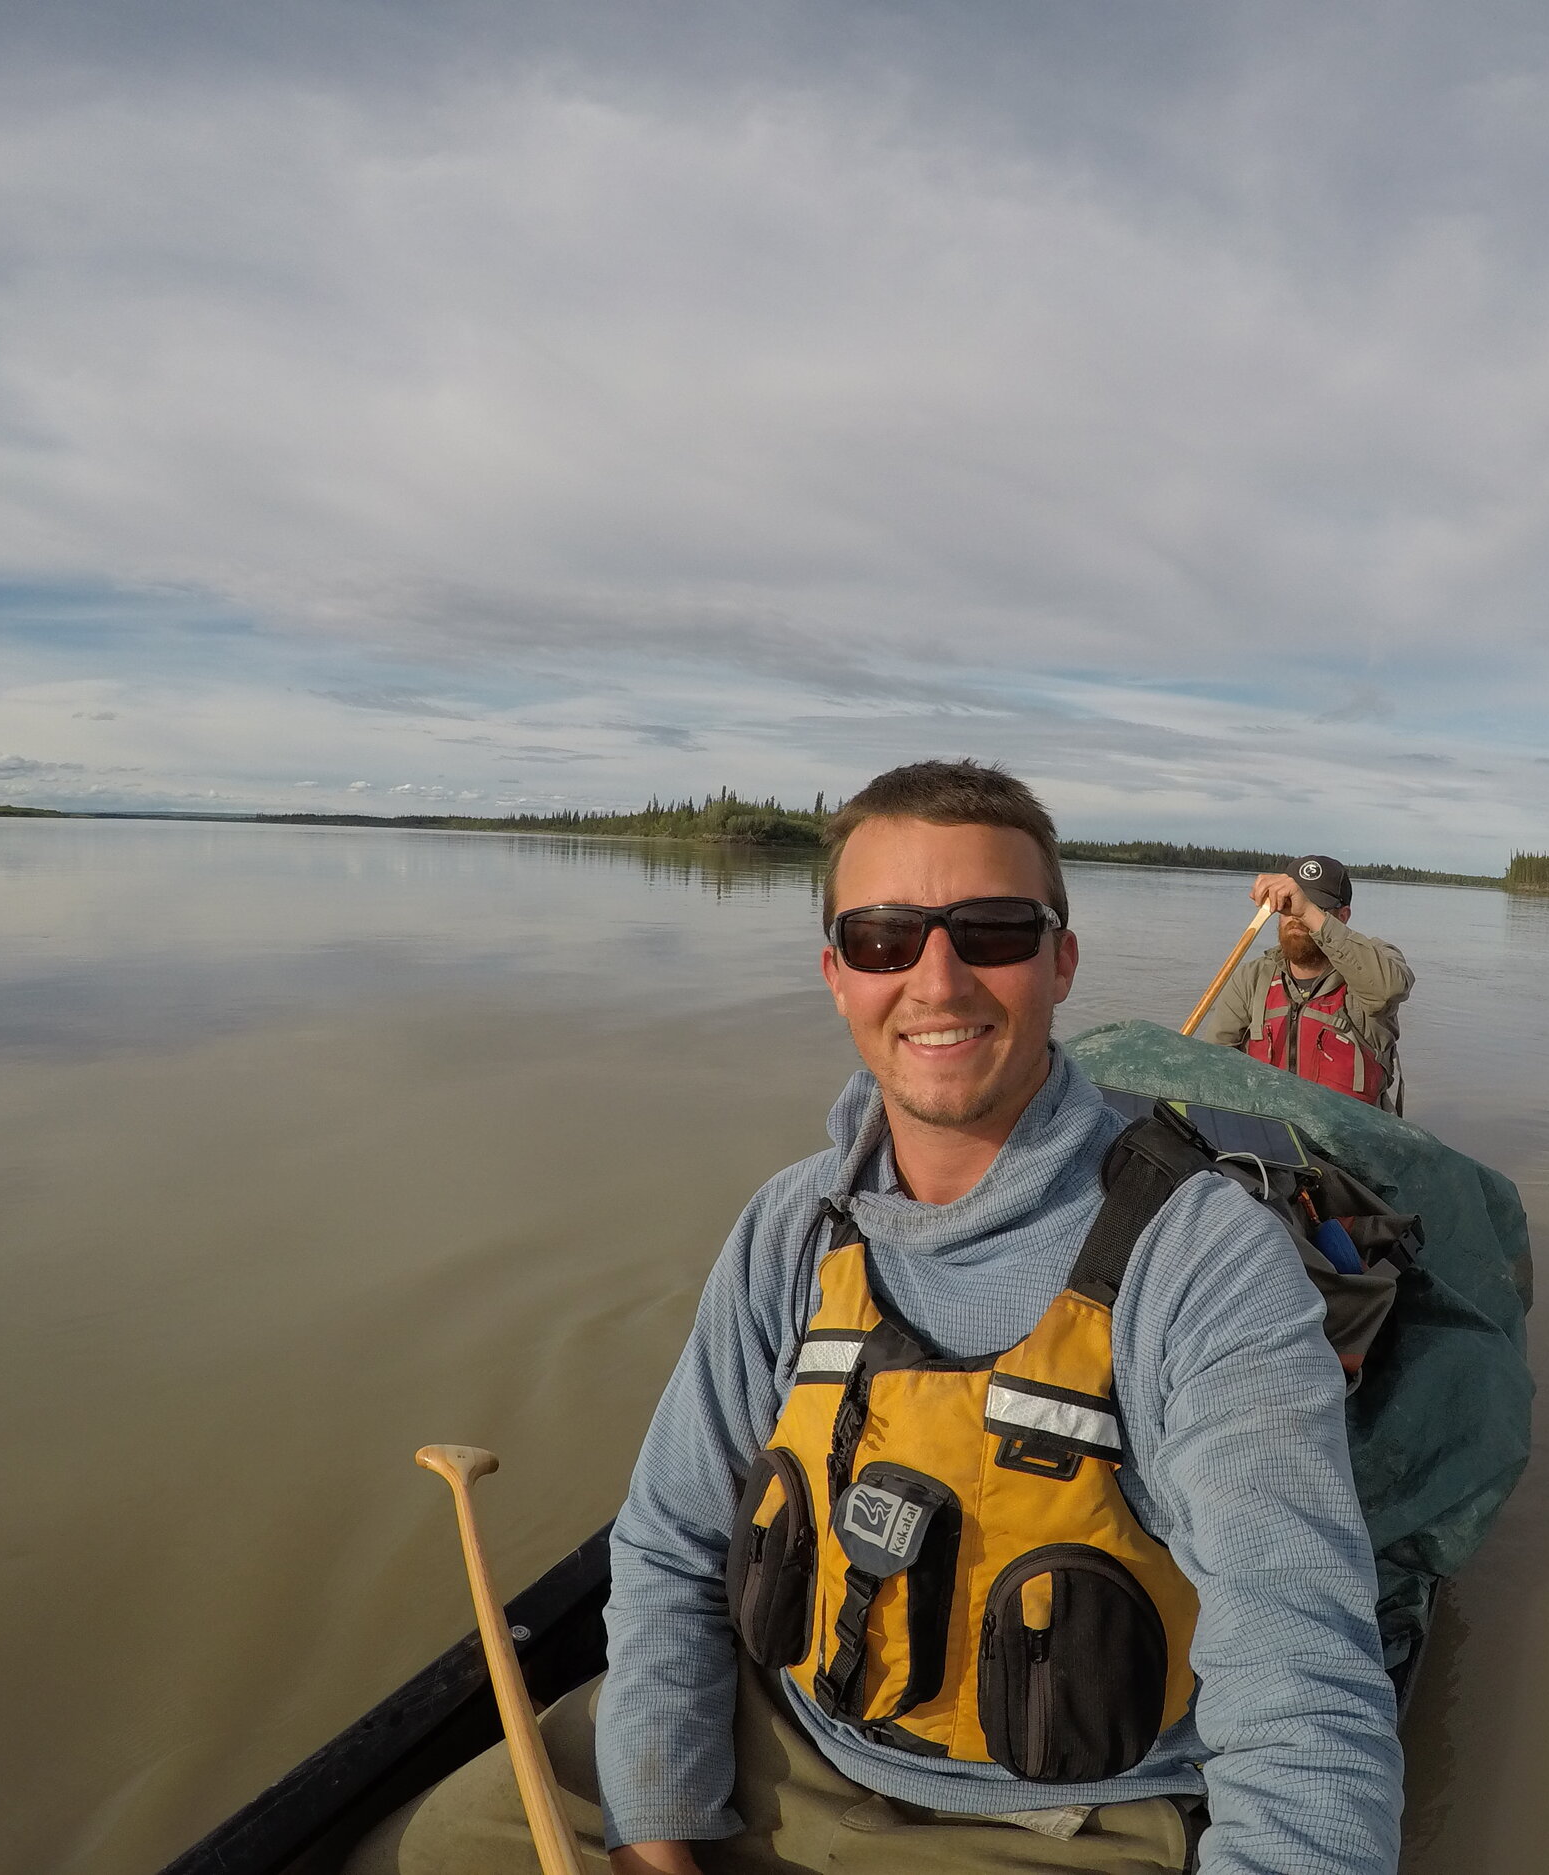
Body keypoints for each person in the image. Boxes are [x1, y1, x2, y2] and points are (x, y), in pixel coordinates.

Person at [350, 760, 1401, 1875]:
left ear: (1061, 962)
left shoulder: (1203, 1263)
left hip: (1061, 1823)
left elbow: (1301, 1700)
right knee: (409, 1855)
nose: (936, 981)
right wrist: (654, 1842)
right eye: (884, 939)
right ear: (837, 975)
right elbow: (668, 1548)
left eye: (991, 930)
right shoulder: (790, 1227)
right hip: (779, 1738)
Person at [1202, 856, 1413, 1112]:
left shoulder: (1375, 962)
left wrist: (1307, 912)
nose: (1295, 915)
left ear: (1342, 916)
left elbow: (1388, 991)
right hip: (1266, 1137)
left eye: (1314, 906)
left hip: (1348, 1143)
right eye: (1288, 905)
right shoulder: (1253, 977)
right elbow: (1213, 1062)